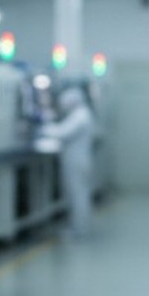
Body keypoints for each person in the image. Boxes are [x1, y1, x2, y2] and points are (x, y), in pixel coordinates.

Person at [41, 87, 95, 236]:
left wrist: (45, 127)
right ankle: (79, 228)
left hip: (76, 162)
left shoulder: (80, 116)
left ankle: (80, 230)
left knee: (78, 196)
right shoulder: (81, 114)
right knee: (77, 196)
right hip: (76, 161)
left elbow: (63, 132)